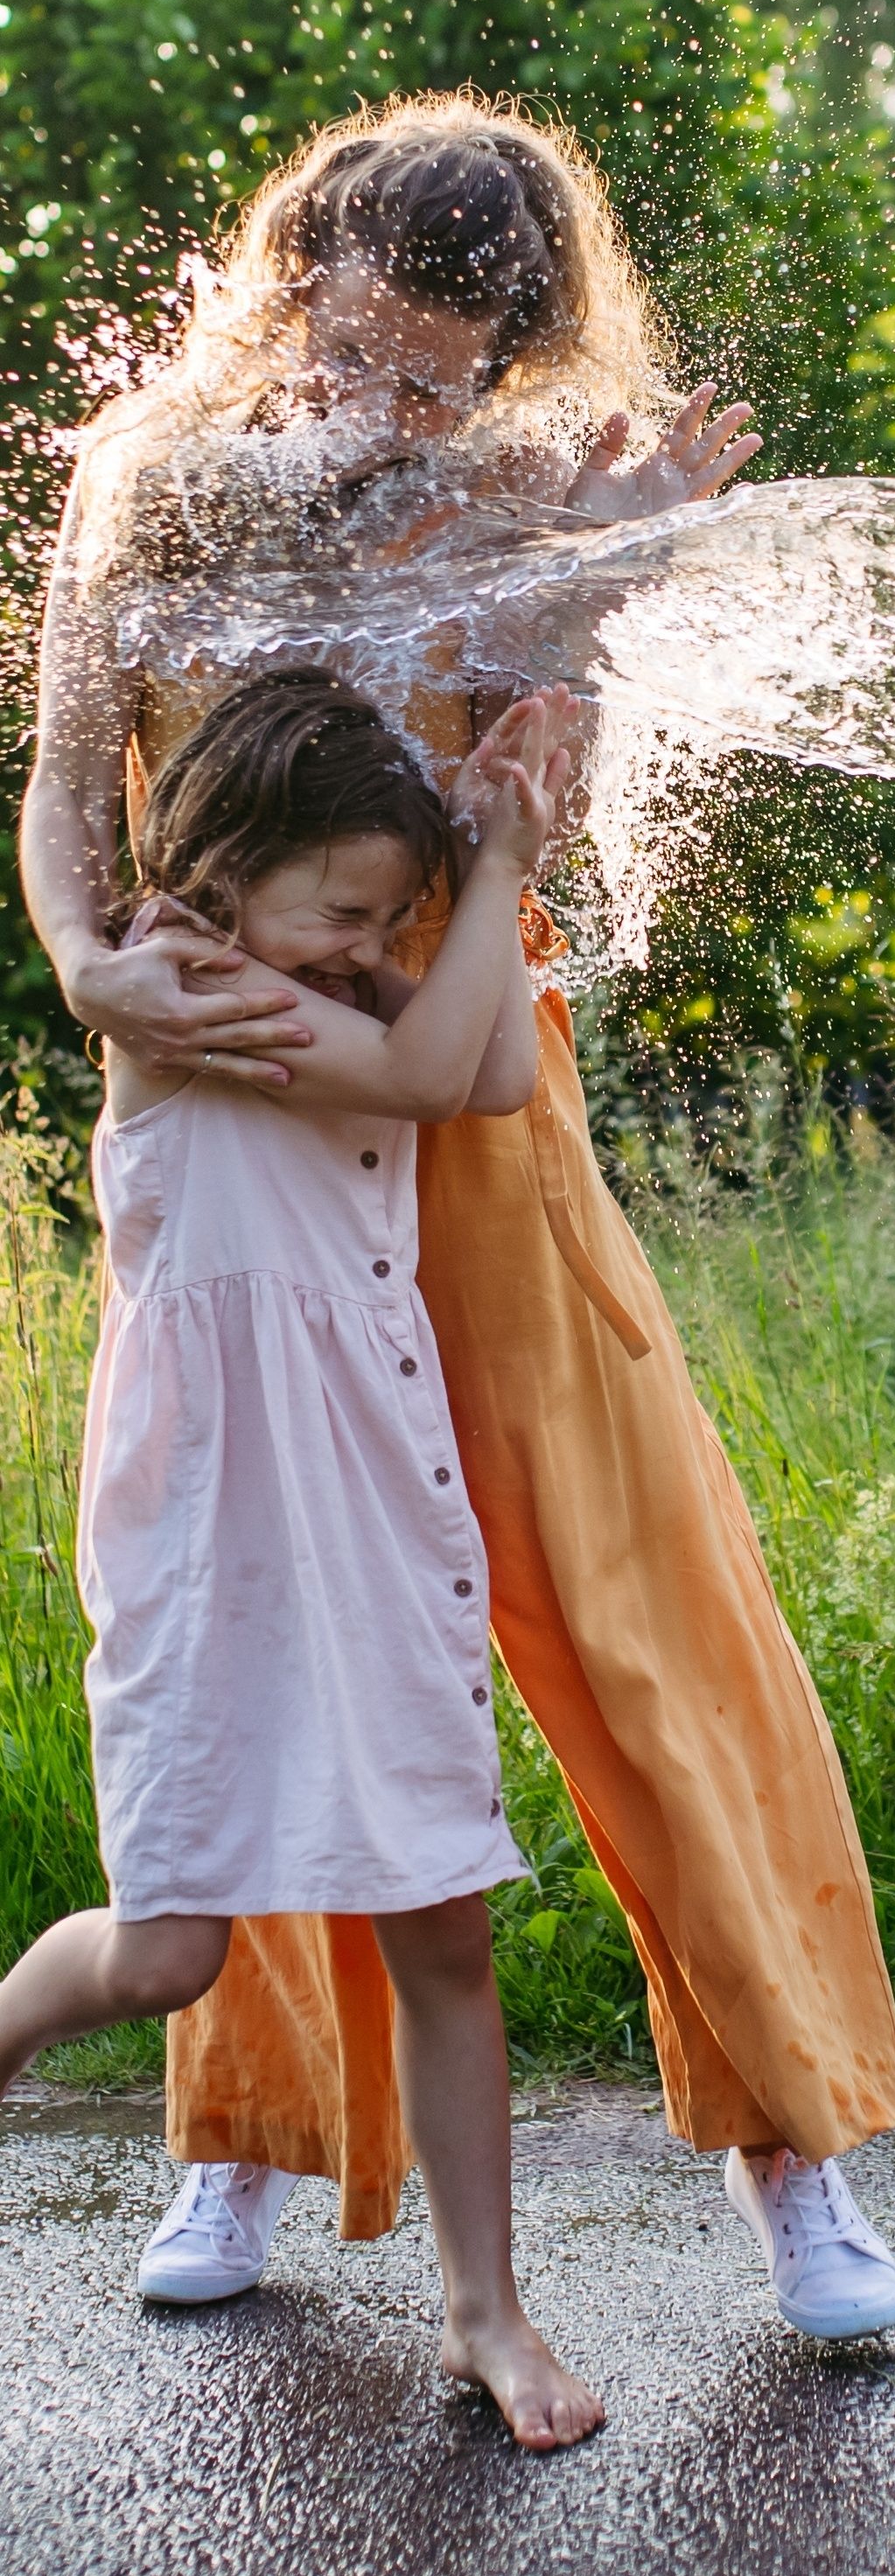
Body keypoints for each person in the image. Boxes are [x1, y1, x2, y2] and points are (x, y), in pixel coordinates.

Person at [23, 92, 895, 2342]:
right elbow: (63, 784)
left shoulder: (538, 494)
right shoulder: (149, 477)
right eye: (370, 351)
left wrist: (588, 604)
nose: (404, 400)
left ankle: (788, 2140)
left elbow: (540, 826)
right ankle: (245, 2126)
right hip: (234, 1103)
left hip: (466, 1101)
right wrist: (87, 959)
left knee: (631, 1602)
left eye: (451, 372)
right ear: (297, 268)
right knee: (257, 1606)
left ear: (511, 350)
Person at [1, 669, 605, 2449]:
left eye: (383, 918)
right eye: (343, 909)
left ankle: (485, 2311)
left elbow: (495, 1068)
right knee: (168, 1955)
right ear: (226, 866)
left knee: (440, 1922)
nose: (361, 947)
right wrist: (495, 872)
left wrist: (477, 869)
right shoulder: (178, 986)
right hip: (213, 1535)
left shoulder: (326, 983)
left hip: (372, 1508)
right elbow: (430, 1068)